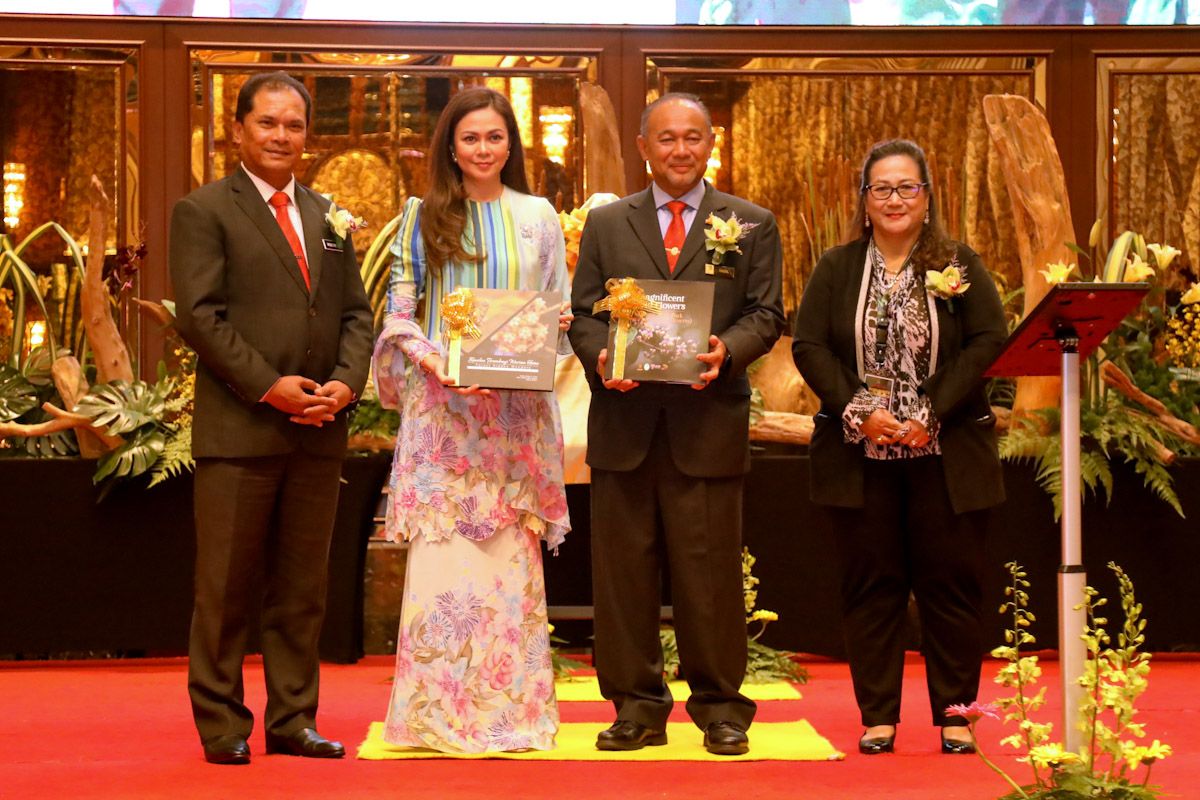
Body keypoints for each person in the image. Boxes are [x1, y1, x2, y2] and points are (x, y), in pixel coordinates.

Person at [568, 92, 784, 756]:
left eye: (693, 137)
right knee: (622, 575)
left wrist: (730, 350)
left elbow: (766, 314)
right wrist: (601, 354)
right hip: (625, 426)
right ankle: (635, 707)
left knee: (709, 576)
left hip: (707, 425)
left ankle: (720, 708)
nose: (680, 150)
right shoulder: (607, 225)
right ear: (643, 147)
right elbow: (582, 314)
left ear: (710, 143)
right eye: (666, 139)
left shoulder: (749, 223)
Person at [169, 70, 374, 765]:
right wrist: (269, 386)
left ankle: (294, 718)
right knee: (224, 589)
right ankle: (223, 724)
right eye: (268, 123)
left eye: (294, 125)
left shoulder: (328, 215)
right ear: (239, 130)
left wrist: (345, 385)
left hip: (320, 429)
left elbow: (354, 314)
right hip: (241, 429)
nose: (282, 135)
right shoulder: (204, 210)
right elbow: (199, 317)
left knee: (302, 588)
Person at [791, 138, 1007, 756]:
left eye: (906, 187)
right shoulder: (836, 268)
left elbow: (988, 340)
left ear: (927, 198)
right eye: (881, 188)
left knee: (951, 588)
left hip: (946, 454)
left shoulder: (958, 264)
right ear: (864, 201)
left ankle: (957, 715)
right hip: (860, 456)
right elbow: (810, 346)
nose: (894, 199)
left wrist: (930, 411)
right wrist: (862, 412)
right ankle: (878, 716)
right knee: (871, 586)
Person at [373, 87, 571, 754]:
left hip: (513, 422)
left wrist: (556, 327)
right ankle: (433, 717)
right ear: (450, 148)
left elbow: (557, 312)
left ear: (510, 144)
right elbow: (401, 313)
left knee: (506, 566)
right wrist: (436, 364)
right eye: (470, 138)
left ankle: (510, 715)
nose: (483, 149)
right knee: (445, 568)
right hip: (444, 419)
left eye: (494, 136)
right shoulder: (421, 215)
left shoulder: (539, 215)